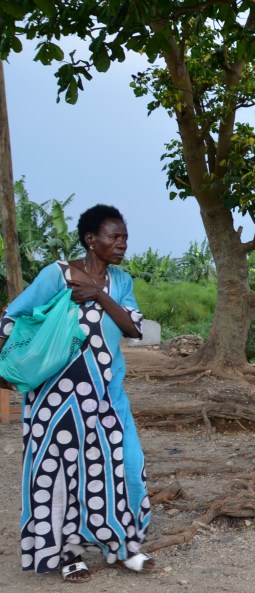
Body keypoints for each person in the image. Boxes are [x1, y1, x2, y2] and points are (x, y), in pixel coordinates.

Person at [0, 205, 154, 582]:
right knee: (61, 477)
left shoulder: (120, 281)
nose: (122, 244)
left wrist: (98, 295)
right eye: (114, 237)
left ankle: (122, 546)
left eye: (125, 238)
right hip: (54, 400)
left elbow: (133, 328)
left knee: (126, 466)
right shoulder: (57, 275)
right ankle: (69, 553)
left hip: (107, 396)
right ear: (91, 240)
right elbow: (13, 316)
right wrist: (8, 367)